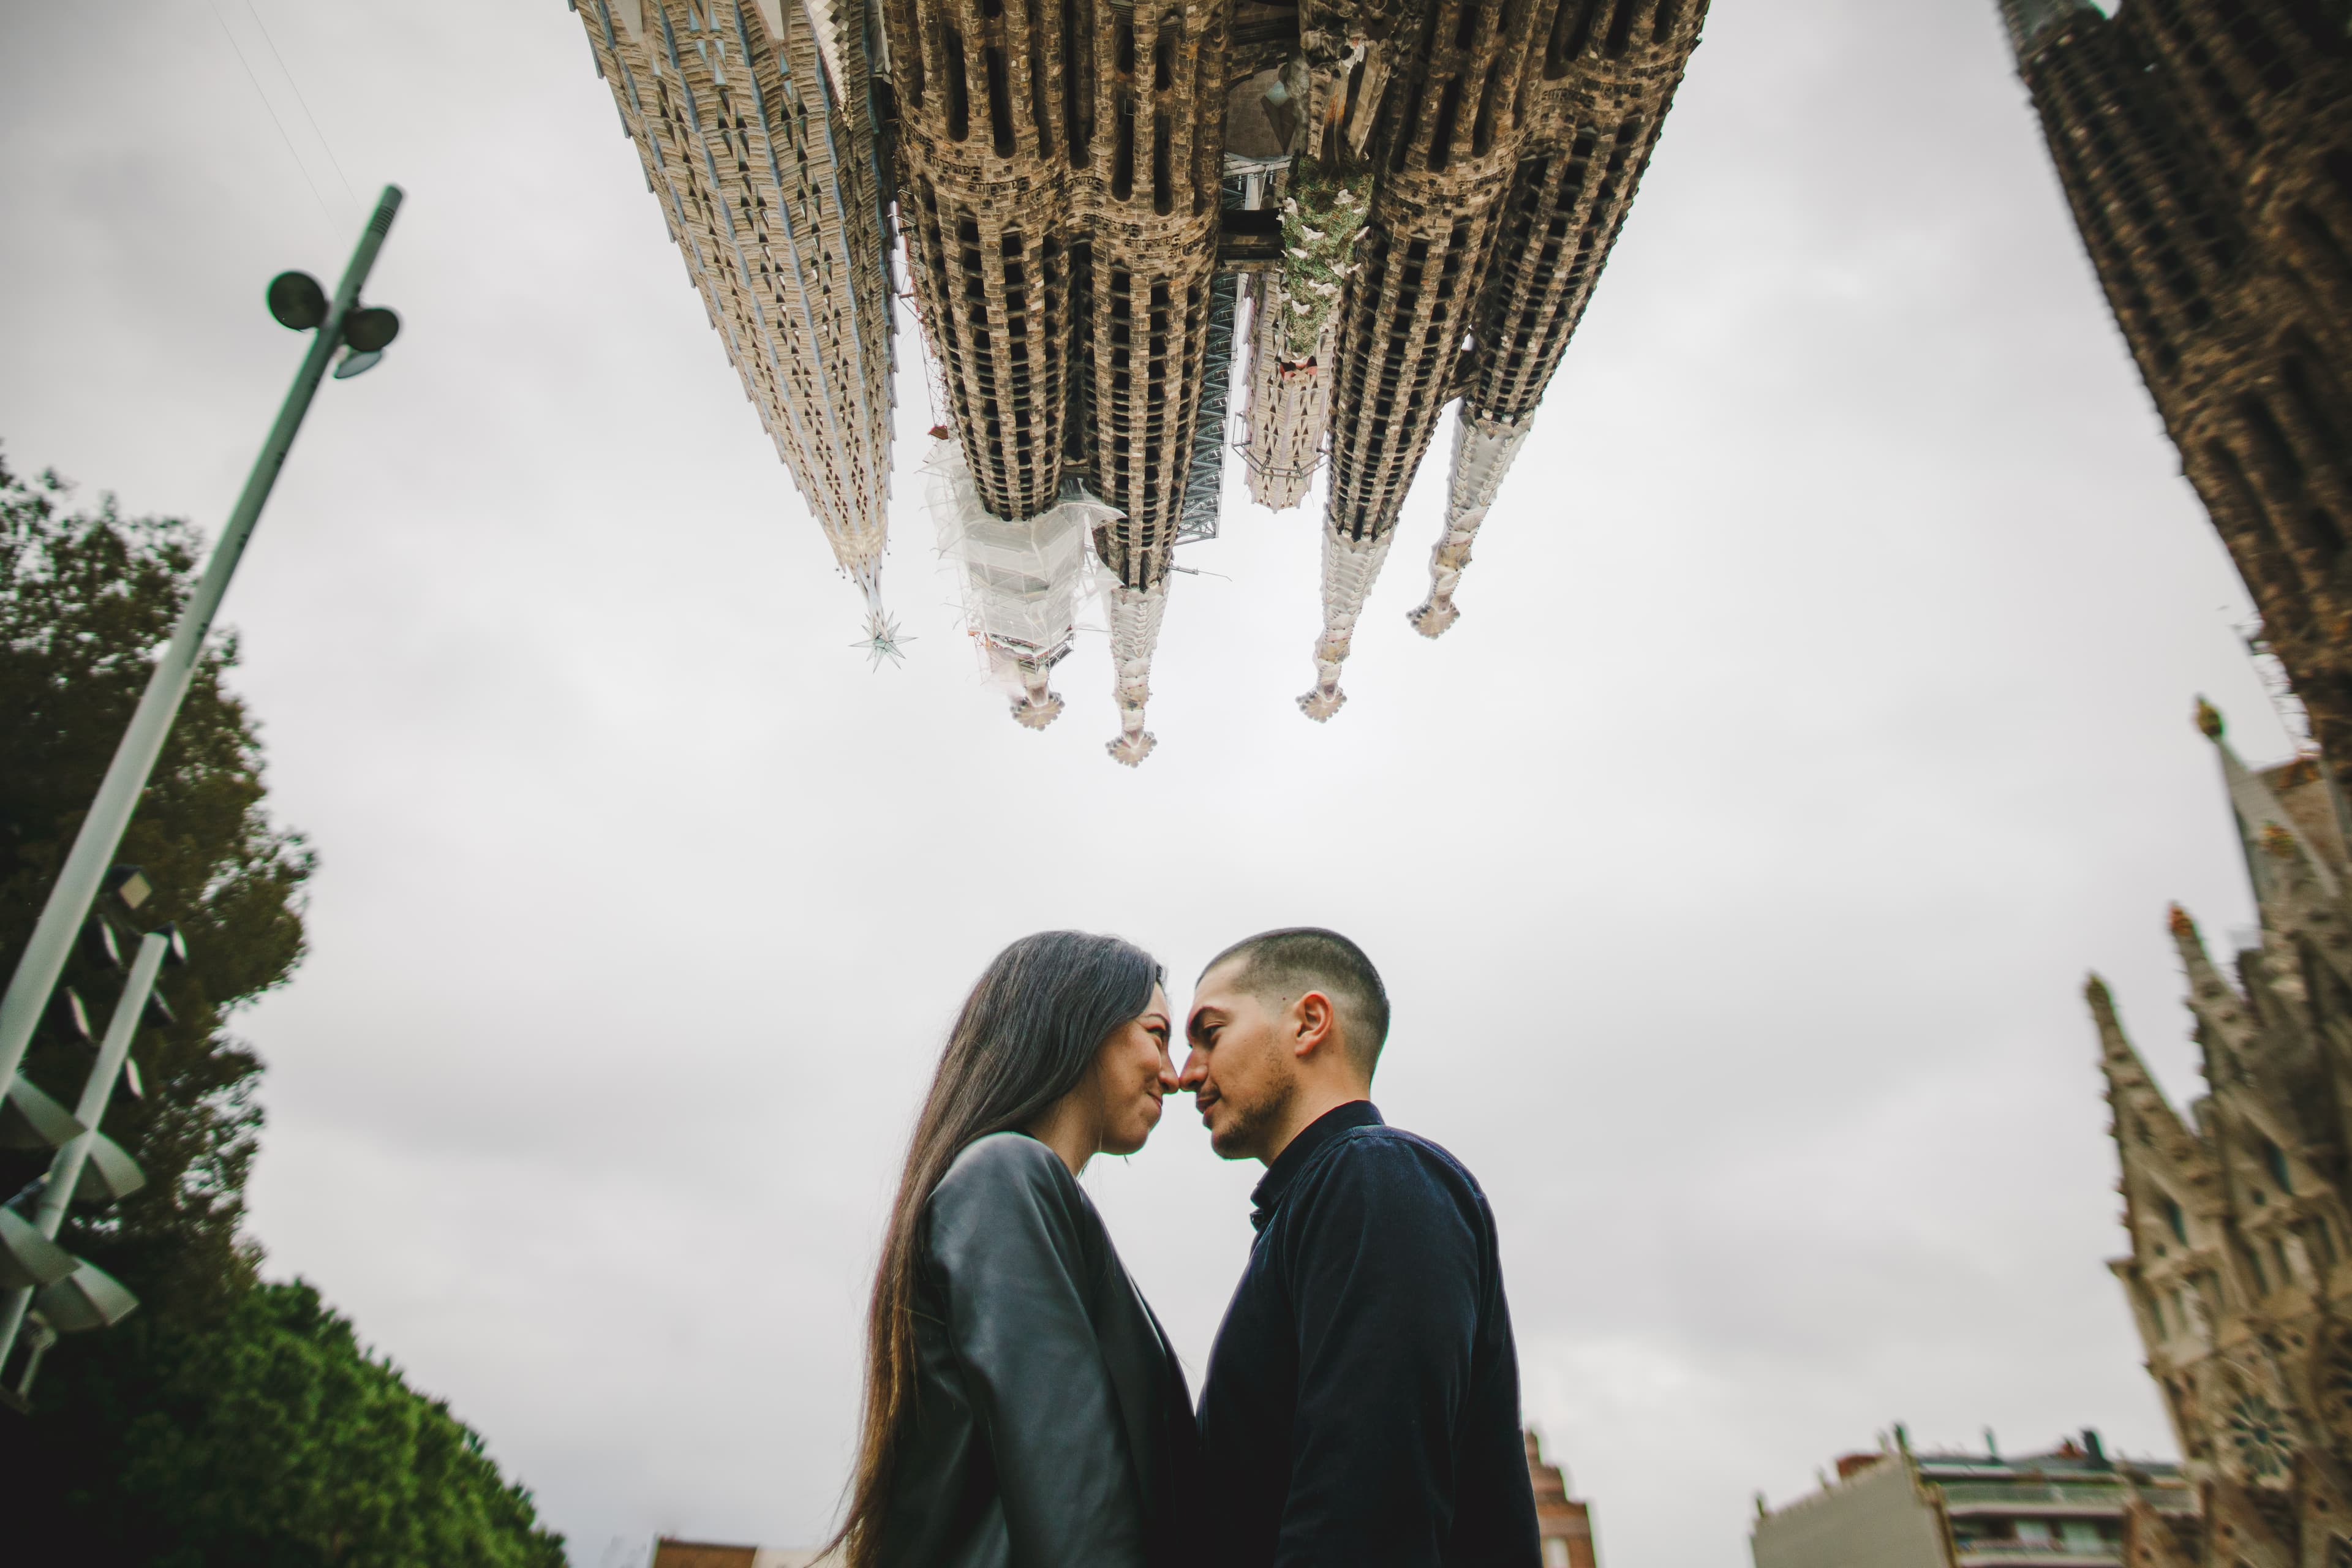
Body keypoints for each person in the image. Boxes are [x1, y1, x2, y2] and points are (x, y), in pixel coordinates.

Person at [831, 931, 1198, 1568]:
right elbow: (1070, 1474)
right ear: (1081, 1021)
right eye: (1158, 1034)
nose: (1173, 1074)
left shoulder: (1016, 1191)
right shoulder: (1004, 1176)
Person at [1182, 927, 1540, 1568]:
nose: (1186, 1074)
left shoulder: (1374, 1179)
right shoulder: (1327, 1202)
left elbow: (1366, 1513)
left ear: (1309, 1022)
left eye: (1211, 1032)